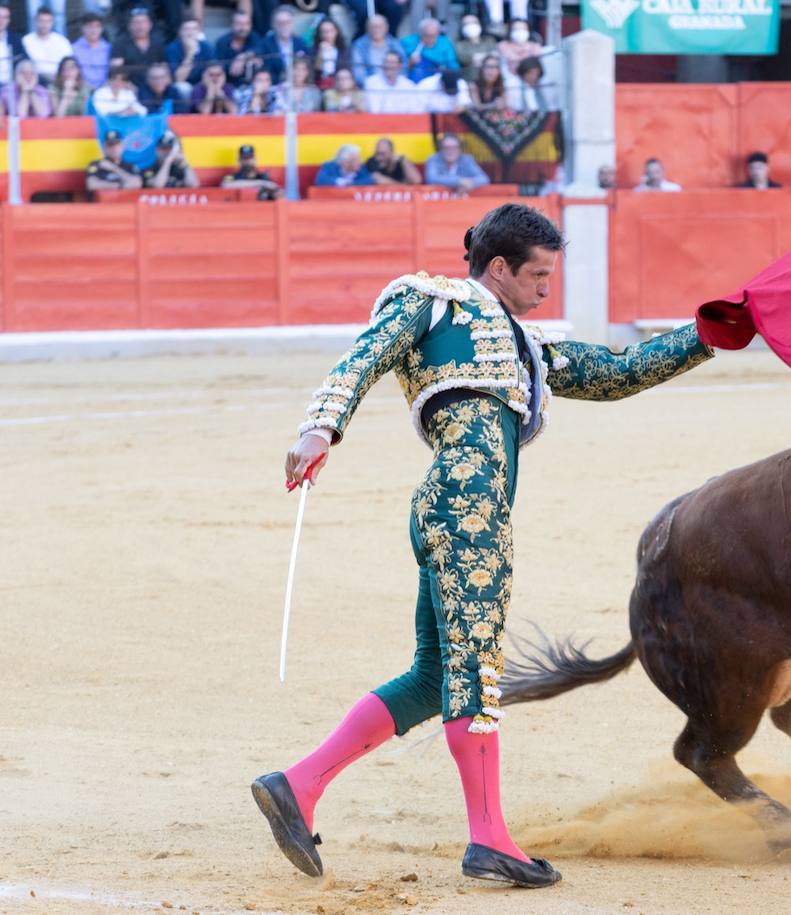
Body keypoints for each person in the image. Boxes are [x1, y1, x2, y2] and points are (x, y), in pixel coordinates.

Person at [255, 202, 714, 889]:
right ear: (498, 267)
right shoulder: (431, 302)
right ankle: (489, 836)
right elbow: (366, 355)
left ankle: (300, 783)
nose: (545, 289)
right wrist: (321, 427)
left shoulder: (530, 348)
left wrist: (709, 335)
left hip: (462, 506)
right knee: (475, 666)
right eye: (537, 274)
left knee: (436, 676)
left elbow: (621, 370)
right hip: (465, 507)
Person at [110, 7, 164, 89]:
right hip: (128, 87)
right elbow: (115, 70)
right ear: (129, 26)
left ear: (150, 25)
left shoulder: (157, 42)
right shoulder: (120, 43)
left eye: (144, 22)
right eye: (136, 22)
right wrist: (125, 84)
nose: (140, 26)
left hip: (154, 87)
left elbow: (164, 67)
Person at [424, 131, 491, 193]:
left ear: (460, 149)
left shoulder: (466, 160)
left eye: (454, 147)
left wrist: (469, 184)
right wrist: (459, 181)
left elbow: (484, 178)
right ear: (441, 149)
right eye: (446, 148)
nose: (450, 151)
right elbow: (431, 178)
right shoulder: (433, 159)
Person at [215, 11, 266, 89]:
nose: (243, 28)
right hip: (227, 85)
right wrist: (233, 65)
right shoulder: (222, 42)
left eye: (246, 24)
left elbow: (259, 49)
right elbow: (219, 65)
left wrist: (242, 57)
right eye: (239, 24)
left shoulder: (254, 37)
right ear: (232, 25)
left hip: (252, 86)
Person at [21, 7, 71, 82]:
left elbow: (69, 64)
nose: (44, 25)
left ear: (52, 22)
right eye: (41, 21)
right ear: (35, 21)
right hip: (34, 80)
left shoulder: (62, 41)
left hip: (59, 80)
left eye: (48, 21)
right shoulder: (26, 41)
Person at [166, 17, 211, 97]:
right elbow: (178, 79)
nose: (190, 33)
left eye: (194, 29)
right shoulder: (172, 48)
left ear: (199, 31)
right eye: (186, 29)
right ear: (180, 32)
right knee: (182, 87)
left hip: (202, 85)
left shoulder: (206, 47)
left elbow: (212, 71)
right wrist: (190, 53)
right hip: (183, 87)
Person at [402, 17, 457, 81]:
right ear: (420, 33)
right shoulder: (407, 42)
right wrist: (410, 63)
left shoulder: (445, 43)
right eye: (426, 35)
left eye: (432, 36)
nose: (429, 39)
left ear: (438, 34)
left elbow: (453, 67)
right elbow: (397, 67)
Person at [350, 14, 403, 80]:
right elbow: (358, 71)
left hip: (393, 84)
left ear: (387, 28)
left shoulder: (395, 44)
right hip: (369, 86)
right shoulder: (359, 46)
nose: (376, 30)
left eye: (380, 27)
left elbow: (403, 67)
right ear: (367, 28)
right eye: (373, 27)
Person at [264, 4, 307, 83]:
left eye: (287, 22)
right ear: (273, 25)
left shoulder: (300, 43)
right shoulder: (266, 45)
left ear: (292, 24)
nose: (284, 26)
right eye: (280, 23)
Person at [72, 13, 111, 89]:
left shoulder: (108, 48)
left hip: (106, 89)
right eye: (90, 26)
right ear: (82, 28)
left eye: (97, 26)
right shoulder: (74, 49)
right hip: (81, 90)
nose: (94, 30)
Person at [455, 12, 497, 83]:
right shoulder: (459, 45)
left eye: (474, 23)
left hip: (491, 82)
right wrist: (486, 57)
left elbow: (495, 56)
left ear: (480, 24)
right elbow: (463, 59)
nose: (471, 26)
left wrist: (477, 59)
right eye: (466, 24)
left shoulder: (489, 40)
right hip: (470, 81)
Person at [310, 17, 345, 88]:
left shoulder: (343, 50)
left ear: (336, 32)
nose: (327, 35)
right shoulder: (313, 50)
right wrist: (321, 52)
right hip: (319, 84)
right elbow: (314, 72)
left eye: (330, 31)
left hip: (338, 85)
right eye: (324, 32)